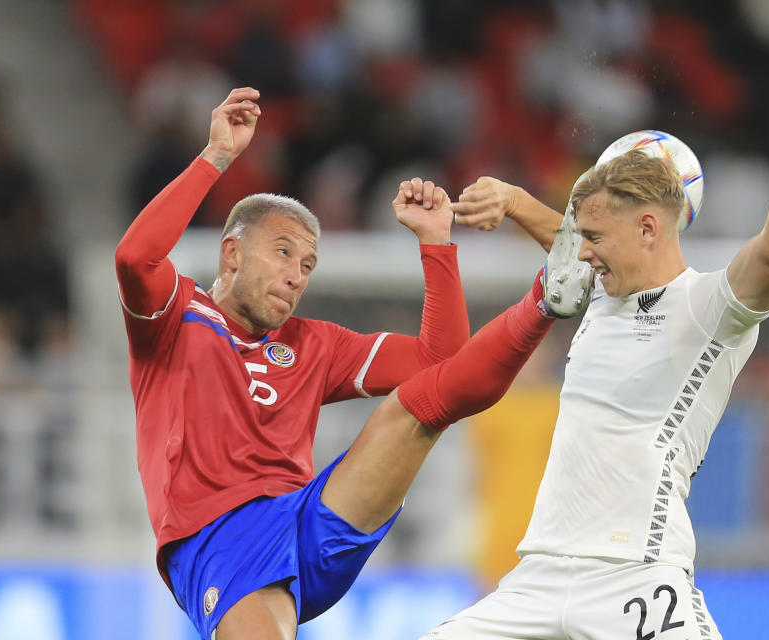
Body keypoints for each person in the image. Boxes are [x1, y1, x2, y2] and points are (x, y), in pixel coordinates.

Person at [115, 87, 567, 640]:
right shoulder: (176, 316)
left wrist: (436, 243)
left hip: (313, 520)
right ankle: (546, 298)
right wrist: (215, 159)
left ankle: (548, 294)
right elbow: (135, 257)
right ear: (231, 253)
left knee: (420, 405)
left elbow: (441, 361)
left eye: (307, 264)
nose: (297, 274)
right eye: (283, 252)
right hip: (221, 538)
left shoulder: (313, 343)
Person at [437, 41, 769, 639]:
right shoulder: (604, 288)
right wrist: (517, 200)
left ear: (649, 227)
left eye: (593, 236)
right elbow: (575, 239)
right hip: (538, 576)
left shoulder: (711, 308)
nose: (581, 252)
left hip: (638, 579)